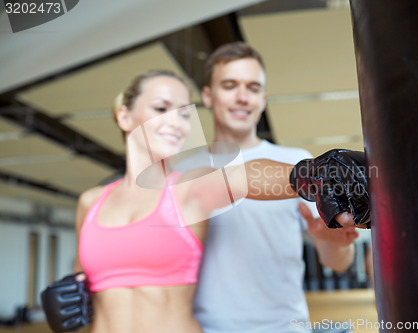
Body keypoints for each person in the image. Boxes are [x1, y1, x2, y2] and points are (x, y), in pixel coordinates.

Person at [69, 70, 360, 333]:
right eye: (161, 108)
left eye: (184, 114)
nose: (175, 122)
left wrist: (314, 175)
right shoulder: (91, 202)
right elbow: (82, 281)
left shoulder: (188, 190)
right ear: (124, 116)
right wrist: (68, 297)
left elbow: (246, 176)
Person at [193, 42, 360, 333]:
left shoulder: (296, 161)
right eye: (230, 85)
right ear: (208, 95)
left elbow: (338, 262)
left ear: (264, 99)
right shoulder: (182, 171)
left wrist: (333, 243)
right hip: (206, 328)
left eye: (253, 88)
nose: (243, 97)